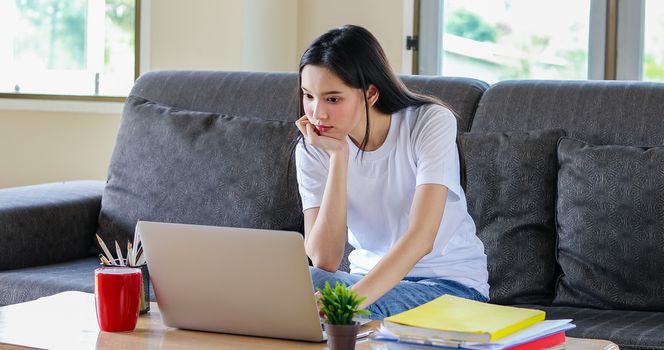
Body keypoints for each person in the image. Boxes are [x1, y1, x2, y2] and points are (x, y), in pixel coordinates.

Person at [294, 24, 489, 320]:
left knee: (335, 311)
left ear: (371, 93)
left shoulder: (429, 122)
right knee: (300, 283)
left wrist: (346, 303)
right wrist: (338, 158)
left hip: (449, 288)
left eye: (333, 99)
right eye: (309, 96)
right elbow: (324, 259)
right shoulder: (313, 147)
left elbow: (422, 237)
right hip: (366, 283)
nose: (317, 113)